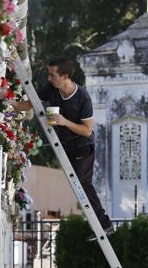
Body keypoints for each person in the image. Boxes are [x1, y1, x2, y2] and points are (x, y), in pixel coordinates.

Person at [11, 58, 113, 238]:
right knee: (77, 186)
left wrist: (64, 122)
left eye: (53, 75)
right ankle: (99, 224)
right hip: (66, 146)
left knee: (82, 183)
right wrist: (12, 104)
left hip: (82, 147)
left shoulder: (82, 97)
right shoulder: (52, 89)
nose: (49, 78)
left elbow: (87, 131)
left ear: (65, 76)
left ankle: (103, 224)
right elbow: (32, 103)